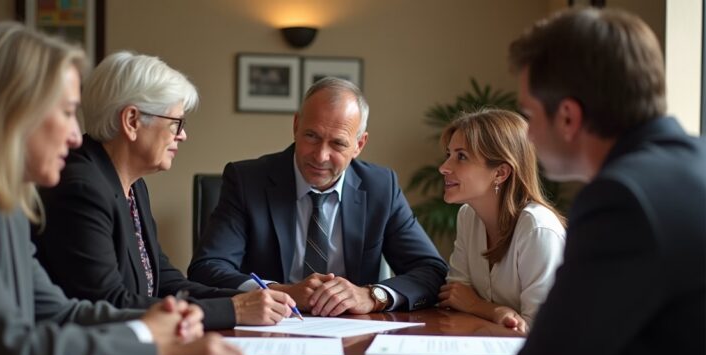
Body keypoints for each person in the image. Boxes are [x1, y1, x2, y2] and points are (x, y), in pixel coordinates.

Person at [0, 22, 244, 355]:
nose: (73, 134)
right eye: (66, 113)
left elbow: (59, 311)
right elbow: (9, 353)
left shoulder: (7, 199)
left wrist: (153, 323)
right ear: (12, 112)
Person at [508, 8, 705, 355]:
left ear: (568, 117)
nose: (526, 134)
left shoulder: (622, 200)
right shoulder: (693, 165)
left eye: (528, 115)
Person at [33, 51, 295, 330]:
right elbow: (108, 303)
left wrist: (251, 298)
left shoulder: (133, 185)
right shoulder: (81, 189)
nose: (182, 135)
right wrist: (233, 310)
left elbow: (167, 283)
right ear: (132, 121)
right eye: (175, 123)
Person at [187, 77, 448, 316]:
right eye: (312, 136)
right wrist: (283, 292)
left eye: (337, 143)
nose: (320, 156)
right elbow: (207, 268)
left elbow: (431, 270)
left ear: (359, 145)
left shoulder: (381, 187)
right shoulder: (247, 180)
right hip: (269, 329)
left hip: (353, 333)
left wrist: (372, 295)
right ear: (296, 125)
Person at [437, 109, 565, 334]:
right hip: (486, 354)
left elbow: (543, 331)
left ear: (500, 173)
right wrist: (494, 312)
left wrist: (477, 306)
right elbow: (454, 296)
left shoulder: (537, 229)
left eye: (461, 156)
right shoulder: (468, 216)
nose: (444, 167)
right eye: (449, 154)